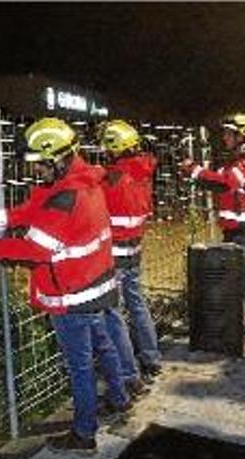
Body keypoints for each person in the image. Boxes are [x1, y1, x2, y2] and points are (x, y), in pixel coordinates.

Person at [0, 117, 129, 455]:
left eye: (40, 164)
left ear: (57, 158)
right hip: (96, 286)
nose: (36, 170)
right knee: (104, 344)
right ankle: (120, 397)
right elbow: (34, 208)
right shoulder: (83, 181)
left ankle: (84, 435)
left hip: (70, 296)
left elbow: (33, 249)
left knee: (80, 367)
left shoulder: (65, 199)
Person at [180, 112, 245, 335]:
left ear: (243, 135)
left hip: (242, 229)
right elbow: (219, 181)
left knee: (244, 276)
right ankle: (241, 319)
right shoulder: (237, 158)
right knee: (237, 276)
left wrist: (197, 171)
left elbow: (226, 182)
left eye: (230, 133)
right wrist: (199, 175)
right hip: (233, 228)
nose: (225, 138)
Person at [97, 119, 164, 380]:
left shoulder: (112, 177)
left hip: (114, 252)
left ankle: (127, 372)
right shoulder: (143, 169)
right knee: (137, 303)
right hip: (135, 247)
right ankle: (151, 357)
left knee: (113, 313)